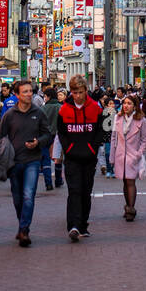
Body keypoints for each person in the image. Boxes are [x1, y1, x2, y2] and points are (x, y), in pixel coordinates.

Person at [0, 79, 52, 245]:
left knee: (29, 195)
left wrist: (38, 143)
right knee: (18, 198)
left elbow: (47, 135)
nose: (29, 94)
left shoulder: (39, 112)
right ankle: (22, 223)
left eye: (30, 91)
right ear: (17, 95)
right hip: (14, 162)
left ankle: (24, 230)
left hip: (33, 161)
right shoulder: (9, 115)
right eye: (25, 92)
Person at [57, 75, 104, 240]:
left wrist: (94, 147)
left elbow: (101, 130)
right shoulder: (64, 109)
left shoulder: (95, 108)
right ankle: (74, 226)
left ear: (86, 91)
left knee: (86, 191)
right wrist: (68, 148)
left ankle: (83, 224)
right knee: (74, 191)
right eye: (75, 92)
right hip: (72, 157)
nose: (78, 95)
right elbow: (61, 132)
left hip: (89, 157)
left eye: (81, 92)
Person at [109, 93, 146, 222]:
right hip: (120, 154)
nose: (126, 106)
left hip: (133, 155)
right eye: (124, 103)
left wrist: (139, 153)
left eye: (129, 103)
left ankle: (131, 209)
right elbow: (114, 137)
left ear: (135, 106)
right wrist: (112, 156)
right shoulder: (118, 118)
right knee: (125, 182)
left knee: (131, 181)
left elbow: (145, 139)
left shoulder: (142, 120)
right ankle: (127, 206)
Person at [40, 85, 62, 190]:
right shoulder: (60, 107)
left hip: (45, 136)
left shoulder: (43, 108)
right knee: (58, 158)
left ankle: (48, 182)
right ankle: (58, 180)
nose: (44, 98)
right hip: (58, 135)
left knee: (46, 159)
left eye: (45, 96)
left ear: (48, 96)